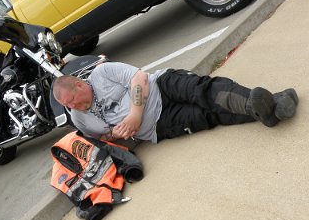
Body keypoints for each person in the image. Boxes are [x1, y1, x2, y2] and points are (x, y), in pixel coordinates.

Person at [52, 62, 298, 143]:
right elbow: (103, 141)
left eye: (73, 100)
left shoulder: (102, 73)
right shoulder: (78, 118)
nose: (73, 107)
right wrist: (117, 135)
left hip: (162, 86)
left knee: (205, 91)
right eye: (68, 106)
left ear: (80, 85)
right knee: (209, 116)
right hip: (160, 126)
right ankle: (273, 106)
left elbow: (139, 78)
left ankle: (257, 105)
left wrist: (135, 115)